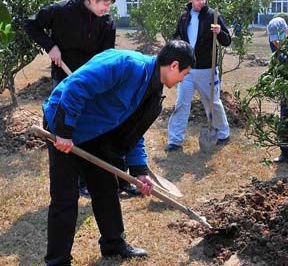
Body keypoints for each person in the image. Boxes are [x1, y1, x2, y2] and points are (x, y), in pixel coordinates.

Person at [42, 40, 194, 265]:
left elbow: (134, 131)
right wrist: (64, 132)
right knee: (65, 196)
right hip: (64, 125)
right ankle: (58, 260)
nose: (183, 79)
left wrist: (140, 170)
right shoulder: (125, 64)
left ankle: (113, 243)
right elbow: (76, 87)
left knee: (106, 188)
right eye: (185, 73)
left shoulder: (153, 94)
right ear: (173, 65)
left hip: (96, 134)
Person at [24, 0, 138, 196]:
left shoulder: (106, 23)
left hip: (93, 84)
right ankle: (77, 181)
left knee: (102, 127)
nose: (107, 9)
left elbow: (106, 57)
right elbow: (31, 25)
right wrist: (51, 46)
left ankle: (118, 178)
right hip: (65, 81)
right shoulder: (60, 11)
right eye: (105, 3)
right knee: (67, 127)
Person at [165, 0, 232, 152]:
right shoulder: (184, 17)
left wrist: (220, 32)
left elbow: (227, 40)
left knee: (213, 103)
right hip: (186, 69)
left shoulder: (213, 16)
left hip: (206, 69)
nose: (201, 1)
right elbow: (177, 36)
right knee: (181, 103)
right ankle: (175, 141)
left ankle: (223, 134)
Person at [267, 17, 288, 163]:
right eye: (273, 39)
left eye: (279, 38)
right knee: (284, 120)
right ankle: (287, 153)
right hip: (285, 87)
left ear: (286, 32)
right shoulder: (274, 44)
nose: (276, 42)